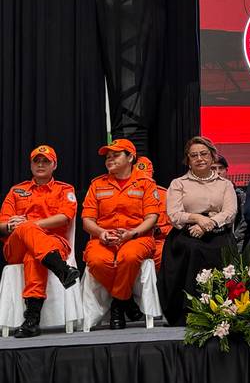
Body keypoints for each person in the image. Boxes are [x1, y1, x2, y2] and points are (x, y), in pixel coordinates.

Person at [0, 145, 80, 338]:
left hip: (54, 243)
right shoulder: (17, 190)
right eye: (37, 161)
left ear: (55, 165)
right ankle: (62, 270)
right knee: (26, 229)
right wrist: (11, 227)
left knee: (33, 255)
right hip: (16, 246)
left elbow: (65, 217)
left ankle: (32, 319)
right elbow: (2, 224)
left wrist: (30, 223)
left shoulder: (65, 189)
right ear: (31, 165)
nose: (41, 164)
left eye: (46, 161)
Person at [158, 136, 237, 326]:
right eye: (194, 155)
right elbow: (174, 214)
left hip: (217, 231)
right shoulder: (178, 183)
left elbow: (230, 211)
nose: (199, 158)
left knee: (222, 248)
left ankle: (222, 308)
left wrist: (208, 223)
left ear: (212, 157)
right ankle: (188, 311)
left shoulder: (225, 184)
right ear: (188, 159)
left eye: (203, 154)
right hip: (186, 232)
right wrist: (196, 218)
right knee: (192, 250)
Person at [82, 139, 159, 330]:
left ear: (130, 157)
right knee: (97, 261)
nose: (110, 159)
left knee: (129, 257)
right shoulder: (97, 184)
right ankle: (126, 301)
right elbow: (87, 221)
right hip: (104, 238)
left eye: (115, 155)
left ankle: (117, 306)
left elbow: (152, 218)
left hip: (137, 237)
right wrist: (101, 233)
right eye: (107, 156)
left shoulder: (146, 183)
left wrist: (132, 233)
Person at [134, 157, 171, 271]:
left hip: (158, 241)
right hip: (134, 239)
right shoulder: (127, 194)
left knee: (166, 254)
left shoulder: (165, 195)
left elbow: (173, 225)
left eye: (146, 177)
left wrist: (159, 230)